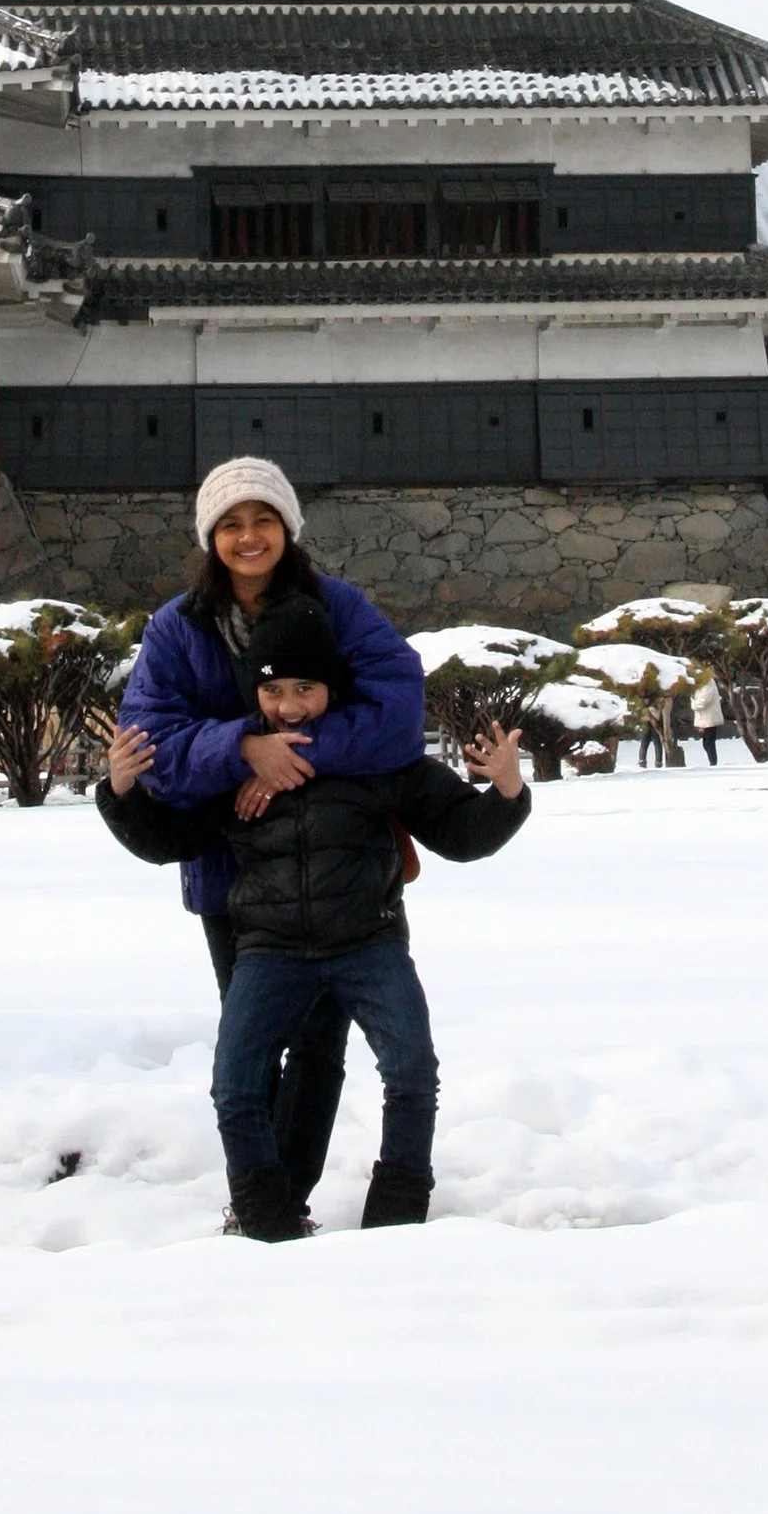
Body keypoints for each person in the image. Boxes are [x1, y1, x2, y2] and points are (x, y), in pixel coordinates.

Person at [103, 590, 530, 1237]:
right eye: (275, 691)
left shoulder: (375, 759)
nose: (291, 705)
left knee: (412, 1071)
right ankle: (264, 1214)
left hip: (370, 944)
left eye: (307, 687)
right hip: (269, 951)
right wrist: (121, 789)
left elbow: (461, 832)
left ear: (331, 687)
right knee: (235, 1083)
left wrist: (505, 789)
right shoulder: (239, 766)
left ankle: (398, 1211)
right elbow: (171, 840)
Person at [108, 456, 430, 1208]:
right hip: (233, 867)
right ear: (209, 536)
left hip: (341, 865)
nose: (248, 537)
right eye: (230, 523)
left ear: (287, 527)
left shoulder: (338, 606)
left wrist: (293, 757)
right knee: (250, 1047)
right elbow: (150, 737)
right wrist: (242, 748)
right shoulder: (177, 627)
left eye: (263, 520)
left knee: (321, 1043)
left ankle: (282, 1197)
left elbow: (398, 709)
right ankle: (263, 1195)